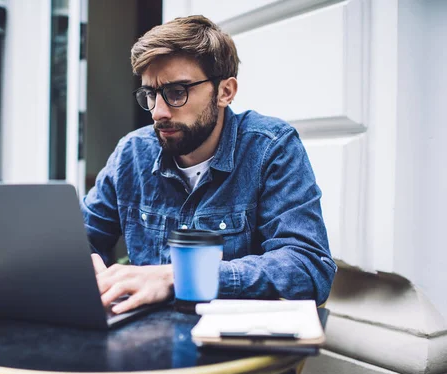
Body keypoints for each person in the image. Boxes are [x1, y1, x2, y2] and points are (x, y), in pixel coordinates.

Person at [82, 15, 336, 317]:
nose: (158, 112)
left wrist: (177, 277)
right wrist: (83, 263)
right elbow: (84, 236)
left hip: (233, 350)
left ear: (225, 92)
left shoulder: (270, 147)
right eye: (150, 94)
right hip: (143, 345)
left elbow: (307, 266)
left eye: (177, 92)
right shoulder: (132, 153)